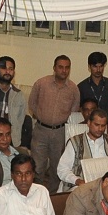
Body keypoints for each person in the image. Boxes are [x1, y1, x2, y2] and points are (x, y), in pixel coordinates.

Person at [28, 55, 81, 190]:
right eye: (60, 67)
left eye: (67, 68)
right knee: (37, 166)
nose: (64, 70)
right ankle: (36, 193)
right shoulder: (41, 83)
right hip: (41, 130)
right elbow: (32, 103)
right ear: (54, 68)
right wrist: (42, 117)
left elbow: (74, 111)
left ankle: (53, 196)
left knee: (57, 167)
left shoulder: (73, 89)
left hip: (60, 132)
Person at [58, 108, 108, 190]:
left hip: (104, 187)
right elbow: (62, 169)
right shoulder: (75, 142)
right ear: (89, 123)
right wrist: (77, 181)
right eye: (96, 125)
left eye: (103, 126)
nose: (100, 129)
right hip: (79, 186)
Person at [79, 51, 108, 136]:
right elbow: (80, 110)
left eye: (101, 66)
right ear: (89, 66)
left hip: (106, 127)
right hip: (89, 128)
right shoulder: (82, 86)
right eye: (95, 66)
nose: (98, 70)